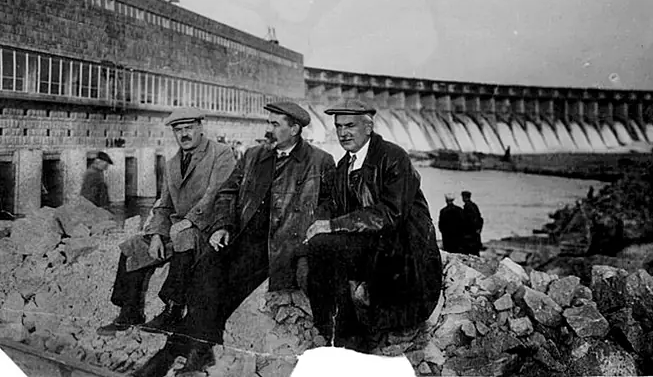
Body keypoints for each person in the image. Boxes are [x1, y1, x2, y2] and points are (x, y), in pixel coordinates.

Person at [131, 101, 336, 377]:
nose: (269, 129)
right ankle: (193, 350)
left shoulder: (319, 161)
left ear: (295, 129)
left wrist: (312, 231)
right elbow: (227, 192)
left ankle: (180, 353)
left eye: (275, 124)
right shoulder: (253, 155)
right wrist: (222, 226)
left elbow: (329, 204)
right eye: (269, 123)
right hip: (242, 236)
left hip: (280, 245)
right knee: (205, 268)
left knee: (226, 289)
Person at [303, 100, 442, 352]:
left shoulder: (393, 157)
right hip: (371, 242)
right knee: (318, 247)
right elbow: (337, 207)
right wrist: (316, 225)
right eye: (338, 127)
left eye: (350, 126)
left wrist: (333, 225)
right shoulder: (344, 165)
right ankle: (335, 333)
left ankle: (363, 333)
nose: (343, 133)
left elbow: (391, 213)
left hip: (403, 247)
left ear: (368, 128)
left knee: (330, 249)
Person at [96, 108, 236, 337]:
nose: (184, 134)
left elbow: (217, 193)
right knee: (132, 246)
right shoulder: (172, 164)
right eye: (178, 130)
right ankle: (129, 312)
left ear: (200, 127)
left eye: (189, 128)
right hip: (178, 230)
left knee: (183, 236)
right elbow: (164, 205)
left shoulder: (221, 153)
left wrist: (189, 221)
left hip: (208, 229)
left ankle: (172, 312)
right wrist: (157, 235)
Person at [461, 190, 484, 255]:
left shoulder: (467, 207)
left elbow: (468, 220)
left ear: (464, 197)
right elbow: (480, 219)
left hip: (470, 233)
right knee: (475, 252)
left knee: (470, 252)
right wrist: (479, 229)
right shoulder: (474, 206)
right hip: (475, 234)